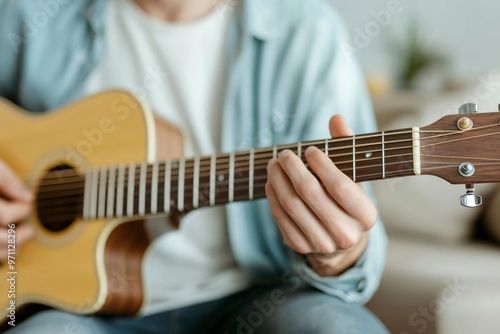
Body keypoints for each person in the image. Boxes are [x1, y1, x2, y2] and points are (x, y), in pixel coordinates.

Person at [0, 0, 388, 332]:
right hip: (77, 309)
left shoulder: (308, 32)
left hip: (259, 298)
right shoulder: (29, 14)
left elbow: (357, 246)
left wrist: (337, 255)